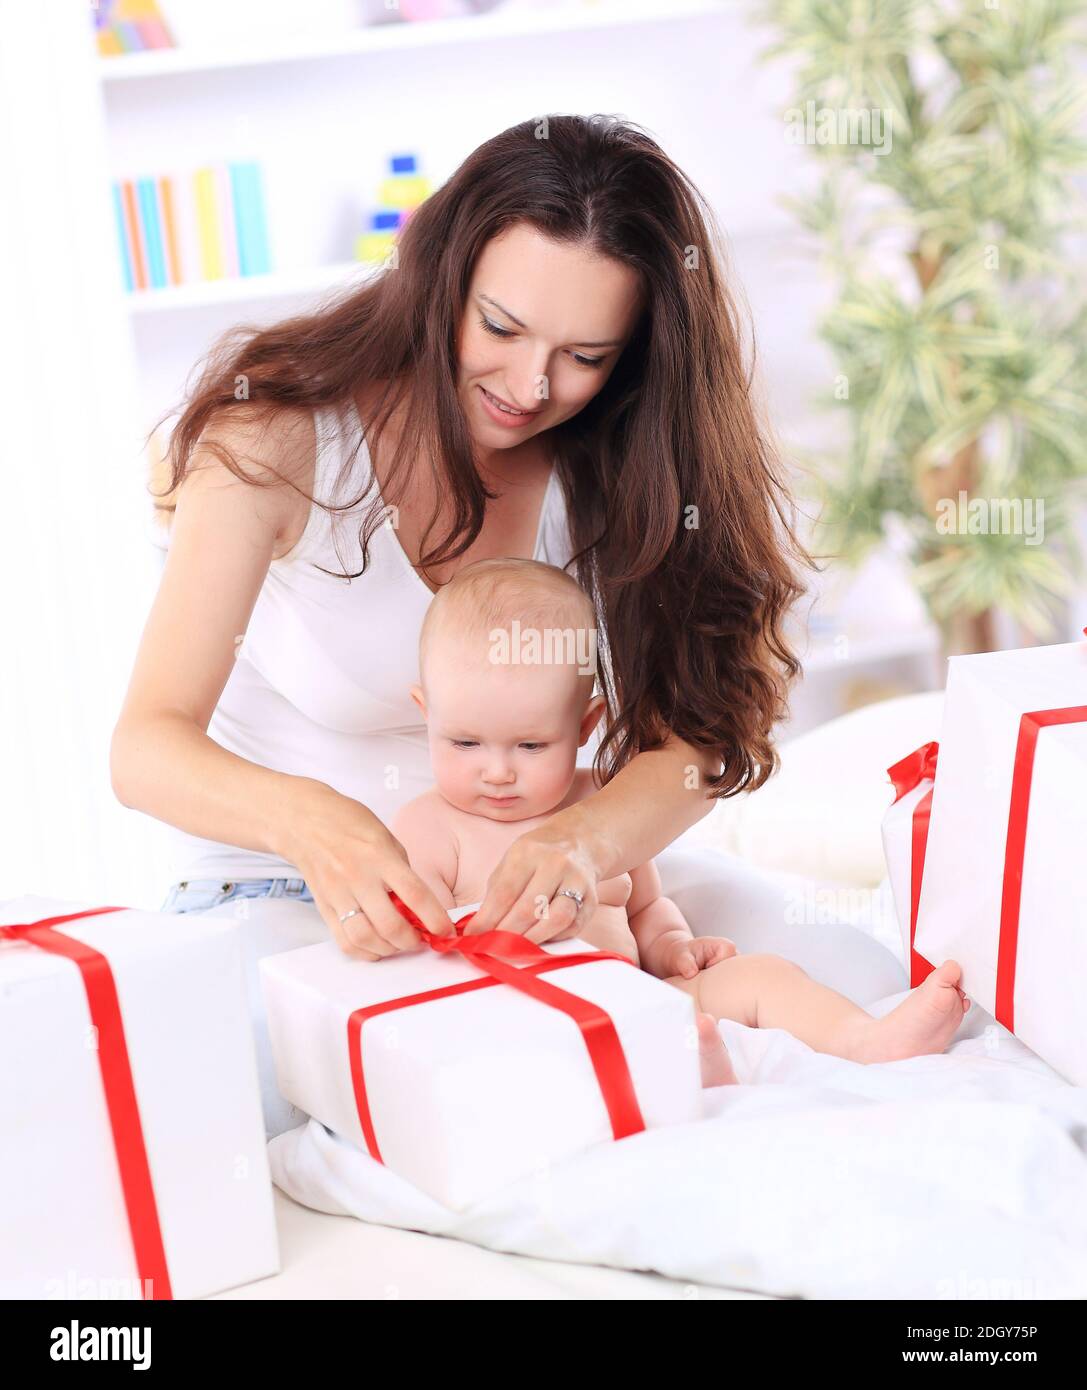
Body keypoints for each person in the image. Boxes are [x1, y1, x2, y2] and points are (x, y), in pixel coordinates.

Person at [110, 115, 906, 1137]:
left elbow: (700, 741)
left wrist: (581, 843)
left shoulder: (619, 459)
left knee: (854, 976)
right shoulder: (278, 440)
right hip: (284, 883)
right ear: (439, 278)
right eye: (499, 328)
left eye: (583, 355)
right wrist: (314, 824)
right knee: (336, 1085)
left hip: (555, 875)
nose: (531, 388)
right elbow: (145, 745)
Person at [390, 557, 968, 1090]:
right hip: (529, 1026)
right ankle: (681, 1074)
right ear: (427, 715)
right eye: (464, 742)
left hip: (642, 1000)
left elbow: (643, 907)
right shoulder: (432, 830)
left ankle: (867, 1041)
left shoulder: (604, 805)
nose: (497, 772)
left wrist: (673, 948)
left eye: (532, 745)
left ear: (586, 723)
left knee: (762, 975)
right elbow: (420, 968)